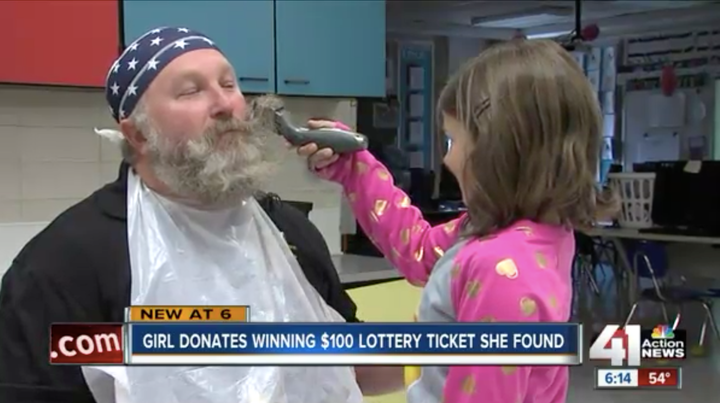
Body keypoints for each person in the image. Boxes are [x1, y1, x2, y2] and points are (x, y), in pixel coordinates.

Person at [0, 27, 402, 403]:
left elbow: (346, 361)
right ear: (137, 134)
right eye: (191, 91)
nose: (225, 104)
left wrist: (447, 343)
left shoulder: (289, 233)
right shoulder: (65, 263)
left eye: (229, 84)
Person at [297, 39, 617, 403]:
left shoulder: (501, 271)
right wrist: (355, 168)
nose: (447, 162)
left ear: (498, 152)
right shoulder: (522, 233)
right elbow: (418, 249)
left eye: (453, 142)